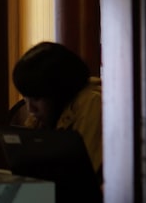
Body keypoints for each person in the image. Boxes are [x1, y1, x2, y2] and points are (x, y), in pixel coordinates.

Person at [11, 41, 103, 177]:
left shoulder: (92, 103)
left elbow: (82, 178)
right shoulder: (48, 112)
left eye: (36, 98)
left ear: (59, 91)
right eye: (26, 98)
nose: (31, 109)